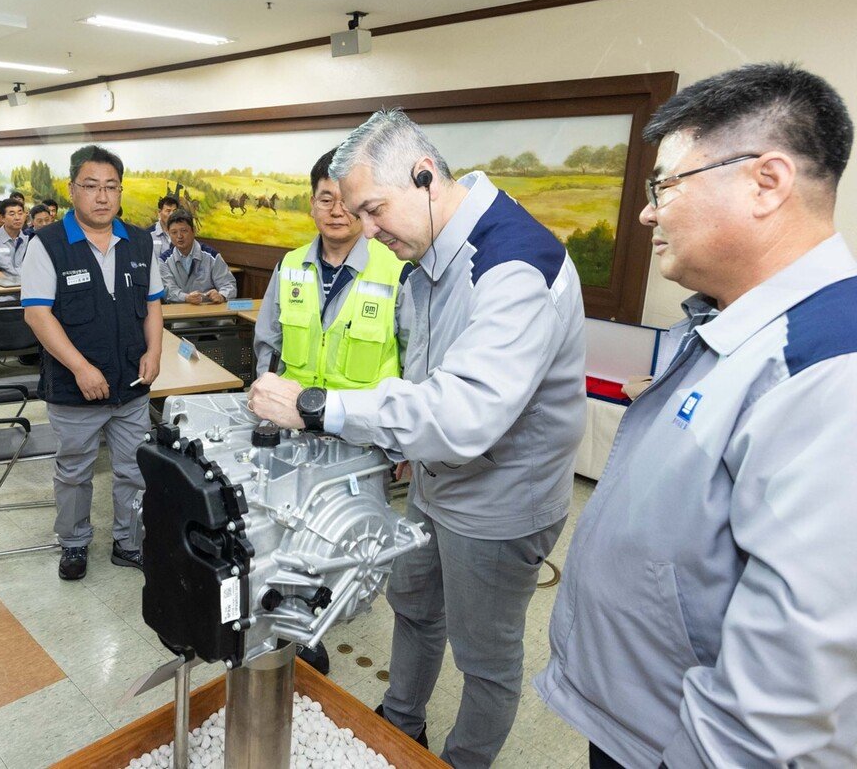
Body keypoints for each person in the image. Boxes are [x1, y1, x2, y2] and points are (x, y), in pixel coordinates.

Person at [536, 64, 857, 769]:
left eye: (666, 185)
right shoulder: (732, 326)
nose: (649, 211)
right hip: (644, 719)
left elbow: (789, 686)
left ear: (766, 183)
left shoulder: (828, 367)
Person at [248, 110, 585, 768]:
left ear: (425, 176)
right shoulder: (427, 254)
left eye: (374, 210)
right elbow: (421, 370)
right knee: (414, 607)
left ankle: (461, 760)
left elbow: (463, 413)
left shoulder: (513, 264)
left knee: (484, 652)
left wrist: (318, 406)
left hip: (498, 503)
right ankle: (402, 724)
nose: (368, 230)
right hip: (434, 482)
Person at [21, 145, 163, 581]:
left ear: (120, 191)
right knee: (74, 472)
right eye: (91, 187)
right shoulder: (47, 244)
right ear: (71, 190)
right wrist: (80, 367)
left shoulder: (139, 241)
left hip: (131, 385)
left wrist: (154, 352)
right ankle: (75, 543)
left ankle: (129, 541)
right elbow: (37, 314)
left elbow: (154, 304)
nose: (102, 197)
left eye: (111, 187)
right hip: (73, 388)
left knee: (134, 469)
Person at [252, 148, 412, 383]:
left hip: (364, 417)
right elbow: (269, 344)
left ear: (362, 205)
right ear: (312, 204)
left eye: (346, 201)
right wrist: (268, 395)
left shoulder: (398, 271)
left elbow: (414, 359)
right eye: (326, 200)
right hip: (292, 413)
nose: (337, 211)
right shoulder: (288, 266)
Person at [159, 209, 237, 304]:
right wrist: (186, 297)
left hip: (208, 311)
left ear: (194, 231)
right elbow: (168, 291)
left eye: (184, 231)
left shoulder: (211, 256)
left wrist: (222, 295)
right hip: (178, 314)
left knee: (226, 319)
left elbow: (229, 285)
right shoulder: (164, 260)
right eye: (174, 232)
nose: (179, 236)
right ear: (169, 234)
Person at [0, 196, 28, 285]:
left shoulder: (31, 239)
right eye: (12, 214)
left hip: (30, 288)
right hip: (4, 290)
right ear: (2, 218)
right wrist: (14, 284)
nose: (17, 218)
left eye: (20, 213)